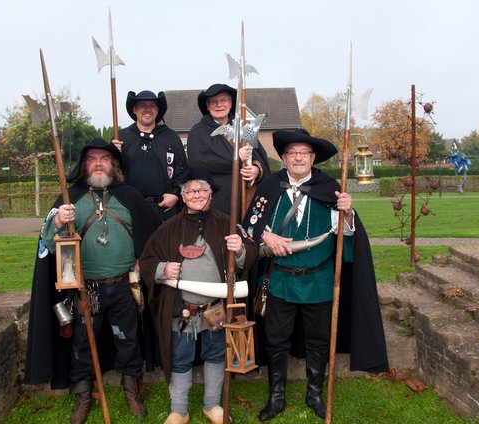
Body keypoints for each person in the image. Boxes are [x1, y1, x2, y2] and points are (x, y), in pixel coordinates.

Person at [242, 129, 388, 421]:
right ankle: (276, 397)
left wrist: (348, 213)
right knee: (276, 339)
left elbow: (346, 233)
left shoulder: (330, 187)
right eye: (292, 153)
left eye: (304, 153)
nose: (298, 157)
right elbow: (250, 226)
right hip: (279, 279)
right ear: (283, 158)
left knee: (319, 340)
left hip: (319, 280)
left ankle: (315, 394)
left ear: (313, 158)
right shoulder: (270, 186)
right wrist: (266, 237)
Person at [24, 137, 159, 423]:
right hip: (87, 290)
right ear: (84, 165)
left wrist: (140, 260)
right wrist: (59, 220)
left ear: (114, 165)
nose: (99, 163)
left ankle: (131, 390)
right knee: (83, 344)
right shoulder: (68, 198)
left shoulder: (130, 196)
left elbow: (150, 239)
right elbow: (48, 242)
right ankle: (83, 397)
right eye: (93, 158)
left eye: (105, 158)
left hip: (124, 286)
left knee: (128, 340)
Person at [139, 168, 258, 424]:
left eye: (201, 189)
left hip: (216, 310)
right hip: (181, 311)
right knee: (180, 358)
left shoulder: (228, 223)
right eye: (190, 190)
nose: (196, 194)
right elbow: (146, 261)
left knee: (215, 356)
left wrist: (239, 251)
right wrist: (162, 269)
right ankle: (179, 410)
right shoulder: (168, 227)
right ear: (182, 196)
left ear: (210, 194)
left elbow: (252, 251)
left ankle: (212, 405)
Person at [187, 83, 271, 216]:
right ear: (208, 106)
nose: (219, 105)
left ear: (231, 104)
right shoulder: (198, 132)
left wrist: (256, 170)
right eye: (214, 101)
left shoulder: (244, 128)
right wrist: (235, 157)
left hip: (245, 202)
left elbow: (260, 156)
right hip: (216, 202)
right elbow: (198, 164)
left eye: (224, 100)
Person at [113, 90, 188, 221]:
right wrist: (111, 154)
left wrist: (176, 195)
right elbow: (111, 174)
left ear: (157, 110)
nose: (148, 109)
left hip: (165, 211)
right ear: (134, 109)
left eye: (152, 106)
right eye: (142, 105)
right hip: (130, 209)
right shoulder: (122, 138)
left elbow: (182, 171)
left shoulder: (171, 137)